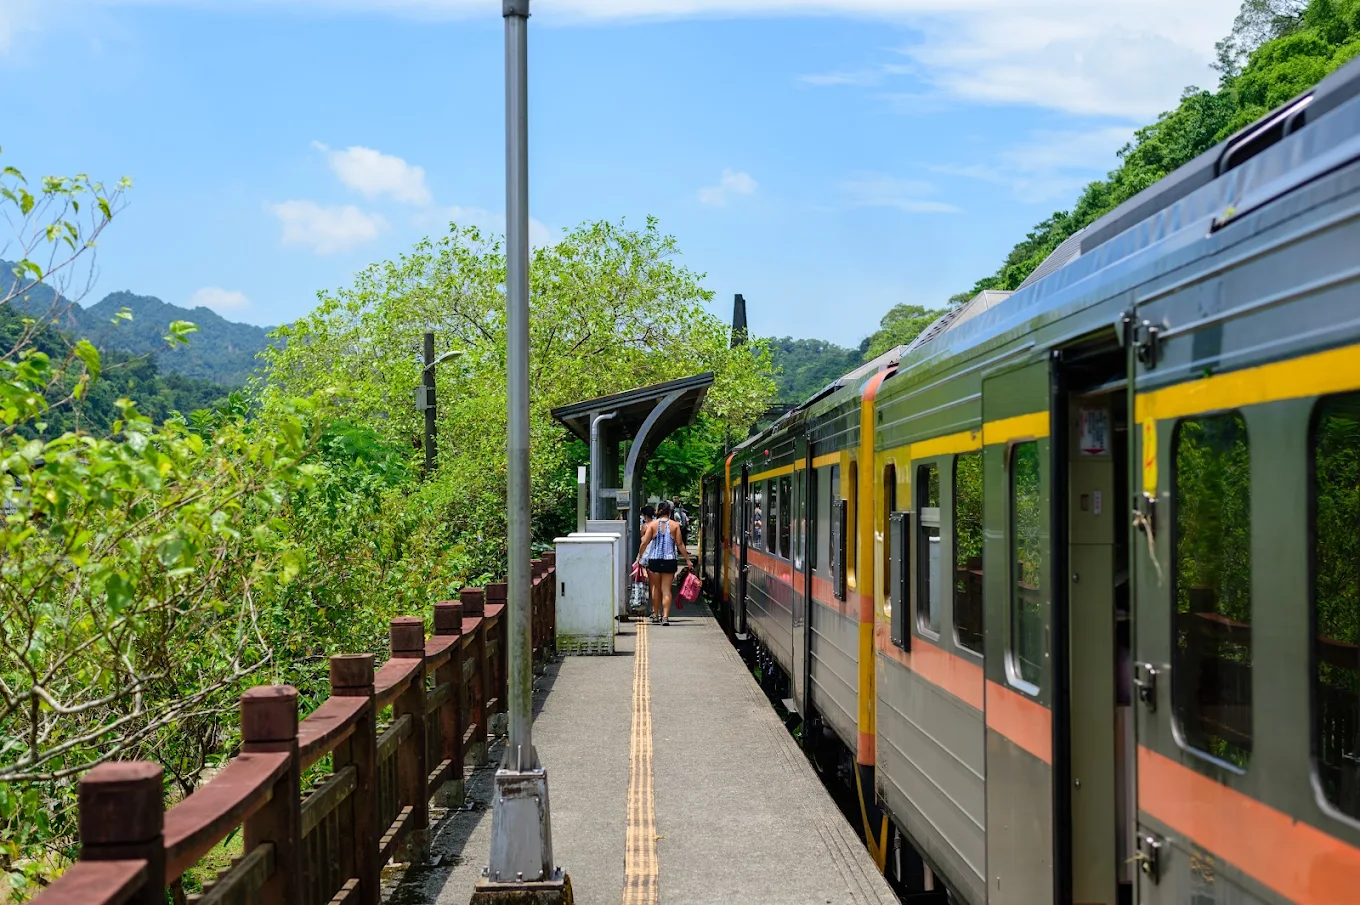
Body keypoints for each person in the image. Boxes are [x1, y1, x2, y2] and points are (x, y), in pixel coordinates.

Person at [635, 500, 692, 626]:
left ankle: (655, 614)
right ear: (670, 511)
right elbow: (680, 544)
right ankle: (665, 617)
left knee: (655, 588)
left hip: (654, 560)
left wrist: (639, 557)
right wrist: (687, 560)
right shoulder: (675, 525)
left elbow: (644, 542)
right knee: (666, 589)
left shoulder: (652, 525)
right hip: (669, 560)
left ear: (658, 511)